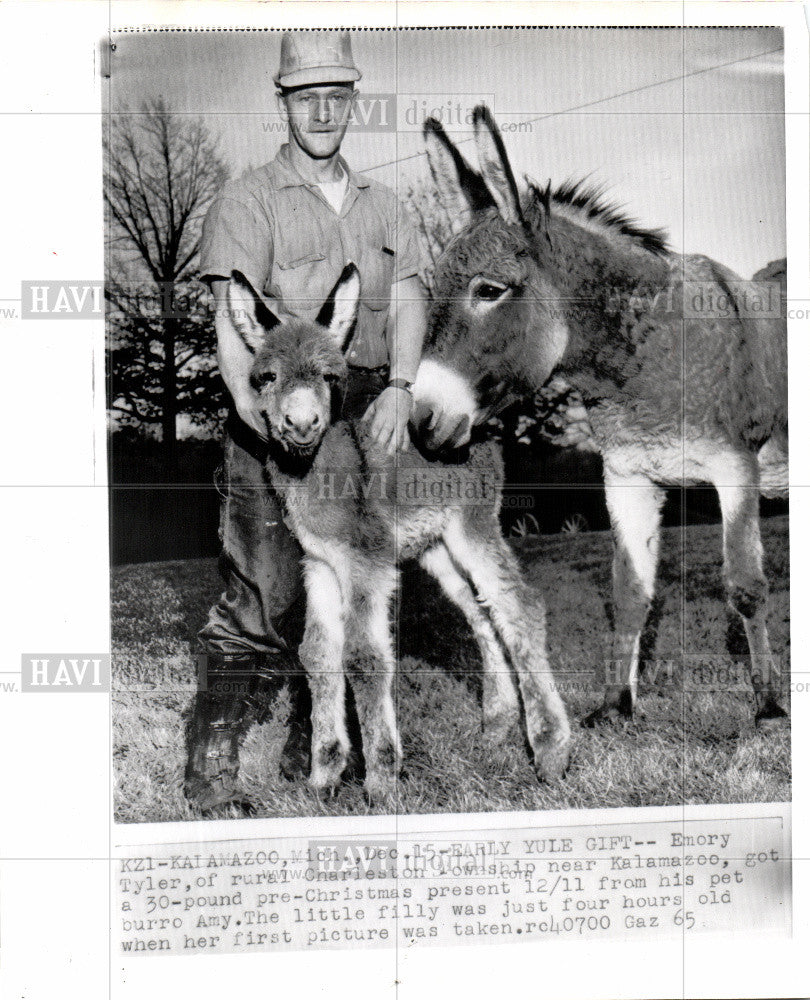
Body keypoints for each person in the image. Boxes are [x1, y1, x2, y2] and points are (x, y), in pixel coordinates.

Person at [185, 31, 427, 811]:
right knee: (266, 593)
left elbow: (414, 295)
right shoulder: (248, 198)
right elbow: (232, 325)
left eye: (337, 94)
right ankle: (213, 762)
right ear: (282, 100)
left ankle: (318, 741)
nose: (322, 109)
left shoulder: (387, 204)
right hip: (276, 423)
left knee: (353, 586)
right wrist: (268, 428)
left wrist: (399, 384)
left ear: (352, 101)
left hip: (361, 428)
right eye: (305, 95)